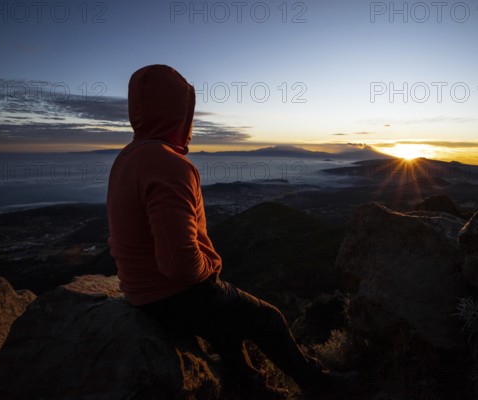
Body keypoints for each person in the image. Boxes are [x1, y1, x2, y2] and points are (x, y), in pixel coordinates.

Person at [106, 64, 356, 398]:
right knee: (269, 319)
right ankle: (322, 385)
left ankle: (250, 387)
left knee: (227, 325)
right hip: (173, 295)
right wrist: (211, 267)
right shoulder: (170, 165)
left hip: (140, 293)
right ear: (179, 114)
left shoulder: (126, 159)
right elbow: (179, 265)